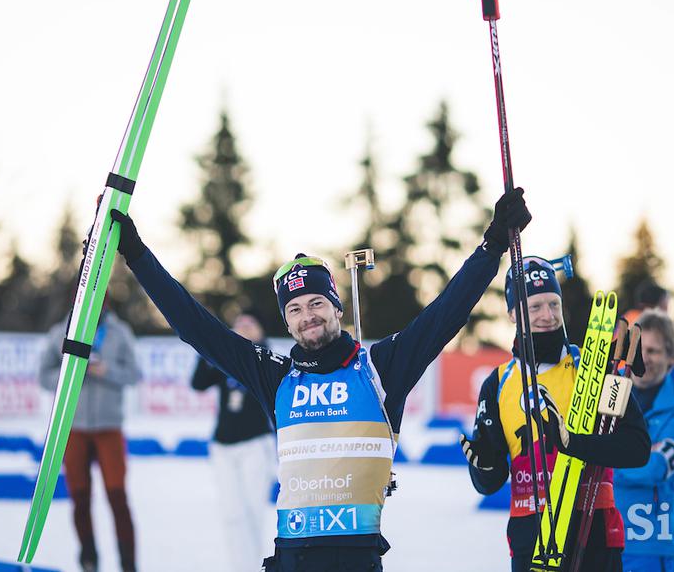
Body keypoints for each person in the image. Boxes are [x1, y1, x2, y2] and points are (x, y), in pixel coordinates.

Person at [107, 188, 530, 572]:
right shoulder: (275, 376)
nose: (307, 315)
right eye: (294, 309)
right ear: (287, 322)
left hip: (357, 557)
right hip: (291, 554)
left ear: (336, 307)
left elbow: (446, 312)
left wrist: (492, 244)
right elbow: (195, 326)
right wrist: (138, 254)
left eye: (316, 303)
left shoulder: (380, 368)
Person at [460, 255, 651, 572]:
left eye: (553, 304)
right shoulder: (499, 383)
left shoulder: (592, 368)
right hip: (531, 543)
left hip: (595, 537)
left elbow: (637, 448)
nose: (547, 315)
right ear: (512, 314)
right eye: (534, 307)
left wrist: (572, 443)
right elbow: (490, 483)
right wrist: (483, 465)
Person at [40, 308, 142, 572]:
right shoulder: (59, 332)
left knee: (117, 497)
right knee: (80, 497)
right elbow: (44, 376)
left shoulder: (120, 332)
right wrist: (75, 372)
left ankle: (128, 565)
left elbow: (135, 374)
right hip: (73, 426)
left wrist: (107, 371)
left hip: (109, 427)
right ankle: (88, 561)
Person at [623, 280, 674, 572]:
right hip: (600, 542)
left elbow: (652, 469)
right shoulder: (608, 397)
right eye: (640, 349)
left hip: (649, 545)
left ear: (672, 358)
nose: (645, 357)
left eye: (655, 351)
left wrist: (602, 458)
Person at [191, 310, 277, 569]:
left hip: (255, 444)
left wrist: (246, 345)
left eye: (250, 324)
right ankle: (239, 566)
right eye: (238, 324)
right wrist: (208, 347)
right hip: (223, 445)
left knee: (252, 511)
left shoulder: (267, 360)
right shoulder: (225, 360)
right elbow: (198, 383)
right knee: (232, 514)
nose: (243, 327)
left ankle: (252, 565)